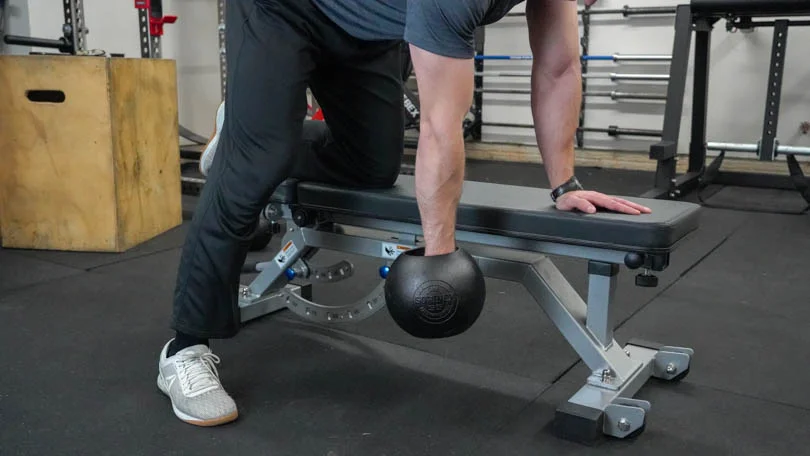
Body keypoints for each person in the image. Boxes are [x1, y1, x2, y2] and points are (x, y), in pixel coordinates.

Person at [157, 0, 652, 427]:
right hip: (282, 10)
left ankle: (249, 134)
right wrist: (440, 254)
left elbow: (559, 68)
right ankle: (185, 348)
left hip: (364, 25)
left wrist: (565, 184)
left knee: (370, 166)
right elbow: (440, 125)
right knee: (254, 162)